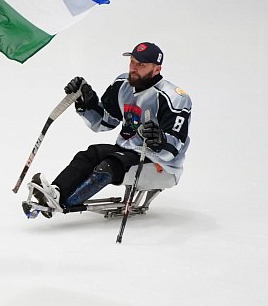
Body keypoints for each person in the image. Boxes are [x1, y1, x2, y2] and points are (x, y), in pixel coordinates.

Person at [24, 41, 191, 219]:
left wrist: (159, 140)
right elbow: (105, 122)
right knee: (90, 154)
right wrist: (86, 101)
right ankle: (56, 193)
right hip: (127, 151)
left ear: (157, 69)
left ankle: (65, 203)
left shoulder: (174, 97)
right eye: (132, 62)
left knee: (110, 164)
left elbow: (173, 148)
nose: (133, 68)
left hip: (160, 163)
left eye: (141, 64)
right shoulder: (122, 84)